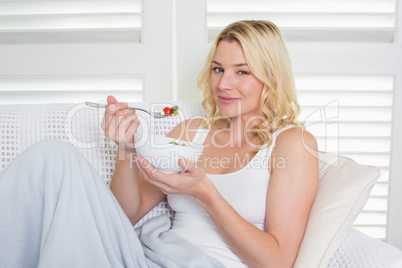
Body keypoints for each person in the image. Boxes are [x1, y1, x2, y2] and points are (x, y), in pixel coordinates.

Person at [0, 20, 318, 268]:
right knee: (52, 158)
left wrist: (205, 193)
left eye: (242, 72)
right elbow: (125, 216)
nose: (223, 84)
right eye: (218, 69)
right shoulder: (189, 132)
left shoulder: (292, 143)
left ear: (271, 78)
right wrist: (127, 148)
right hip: (148, 257)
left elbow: (277, 261)